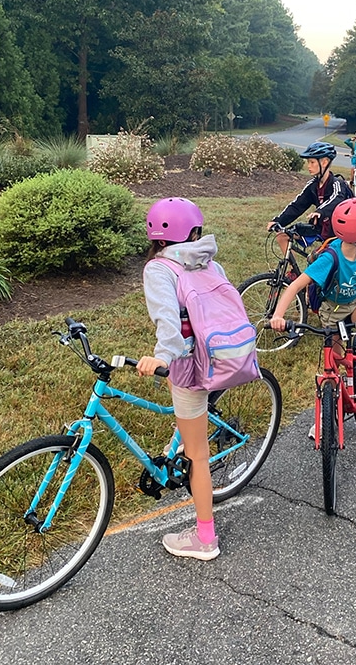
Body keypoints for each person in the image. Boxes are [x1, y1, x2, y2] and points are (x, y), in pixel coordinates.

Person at [136, 197, 223, 561]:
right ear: (194, 230)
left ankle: (205, 539)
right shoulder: (208, 259)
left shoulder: (159, 269)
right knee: (192, 432)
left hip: (190, 365)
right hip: (222, 355)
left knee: (197, 455)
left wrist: (163, 356)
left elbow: (169, 323)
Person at [270, 198, 356, 418]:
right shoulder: (330, 258)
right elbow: (295, 285)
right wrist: (278, 316)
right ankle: (327, 414)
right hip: (332, 309)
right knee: (333, 362)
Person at [267, 141, 351, 255]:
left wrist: (320, 212)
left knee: (319, 260)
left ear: (325, 162)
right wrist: (278, 221)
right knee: (282, 236)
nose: (308, 166)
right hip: (319, 230)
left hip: (337, 233)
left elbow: (337, 199)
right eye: (308, 162)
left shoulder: (337, 184)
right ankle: (293, 271)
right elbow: (297, 206)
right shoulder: (312, 185)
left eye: (312, 162)